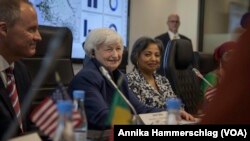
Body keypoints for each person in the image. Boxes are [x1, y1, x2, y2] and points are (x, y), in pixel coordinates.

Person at [68, 28, 165, 130]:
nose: (115, 55)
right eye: (109, 49)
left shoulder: (119, 76)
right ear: (93, 52)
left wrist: (170, 113)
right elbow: (102, 117)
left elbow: (140, 109)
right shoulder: (86, 78)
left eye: (118, 49)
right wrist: (136, 120)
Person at [0, 0, 42, 139]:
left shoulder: (21, 70)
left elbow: (29, 125)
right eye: (31, 29)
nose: (38, 37)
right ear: (3, 29)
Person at [127, 37, 194, 120]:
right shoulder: (129, 80)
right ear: (136, 56)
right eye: (148, 54)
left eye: (157, 55)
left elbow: (176, 105)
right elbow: (140, 111)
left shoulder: (163, 80)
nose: (153, 59)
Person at [200, 23, 250, 124]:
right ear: (221, 61)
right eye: (228, 56)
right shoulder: (212, 76)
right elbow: (207, 107)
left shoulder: (238, 77)